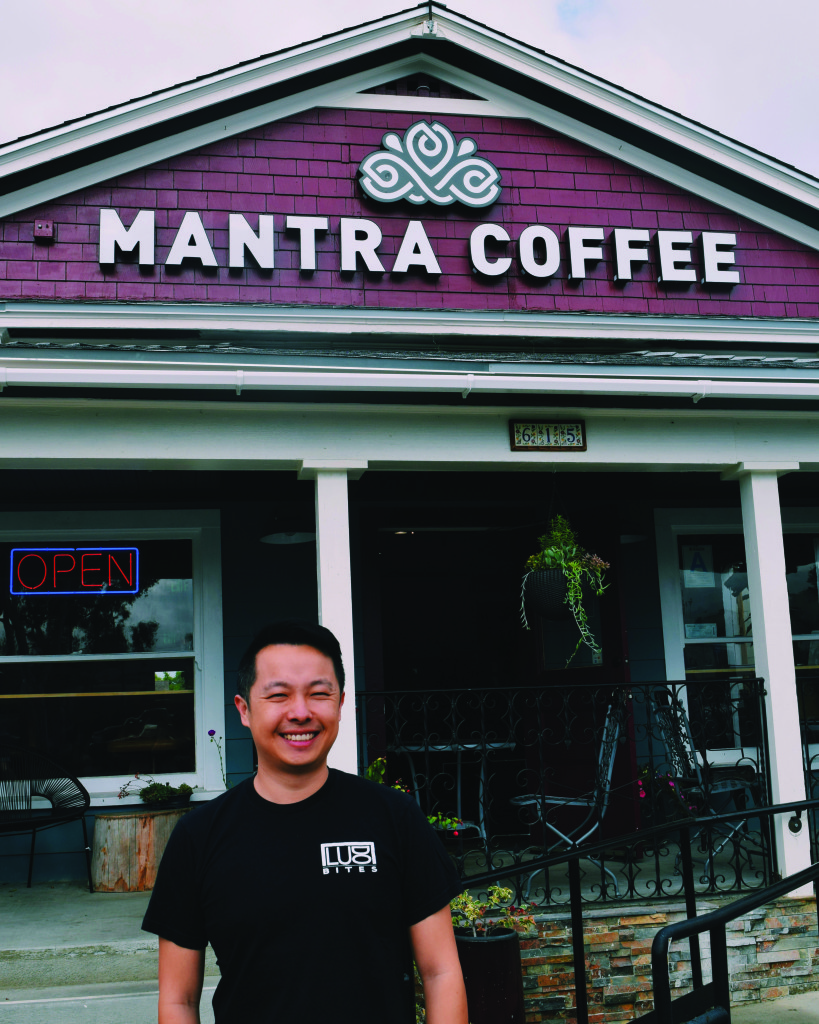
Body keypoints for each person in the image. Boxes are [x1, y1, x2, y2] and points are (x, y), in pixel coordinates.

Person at [142, 620, 468, 1024]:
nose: (300, 713)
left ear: (341, 703)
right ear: (244, 709)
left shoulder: (394, 818)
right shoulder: (198, 837)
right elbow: (178, 1000)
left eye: (318, 694)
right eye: (278, 695)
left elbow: (441, 973)